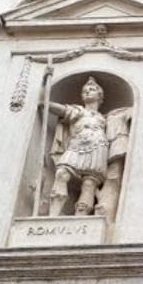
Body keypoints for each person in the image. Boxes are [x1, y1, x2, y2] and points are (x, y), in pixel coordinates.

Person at [48, 77, 113, 217]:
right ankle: (52, 216)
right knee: (61, 174)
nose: (88, 92)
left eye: (92, 89)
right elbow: (62, 110)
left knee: (89, 184)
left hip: (98, 148)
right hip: (77, 145)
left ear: (100, 96)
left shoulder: (105, 118)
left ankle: (80, 218)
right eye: (85, 91)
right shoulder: (78, 110)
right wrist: (46, 102)